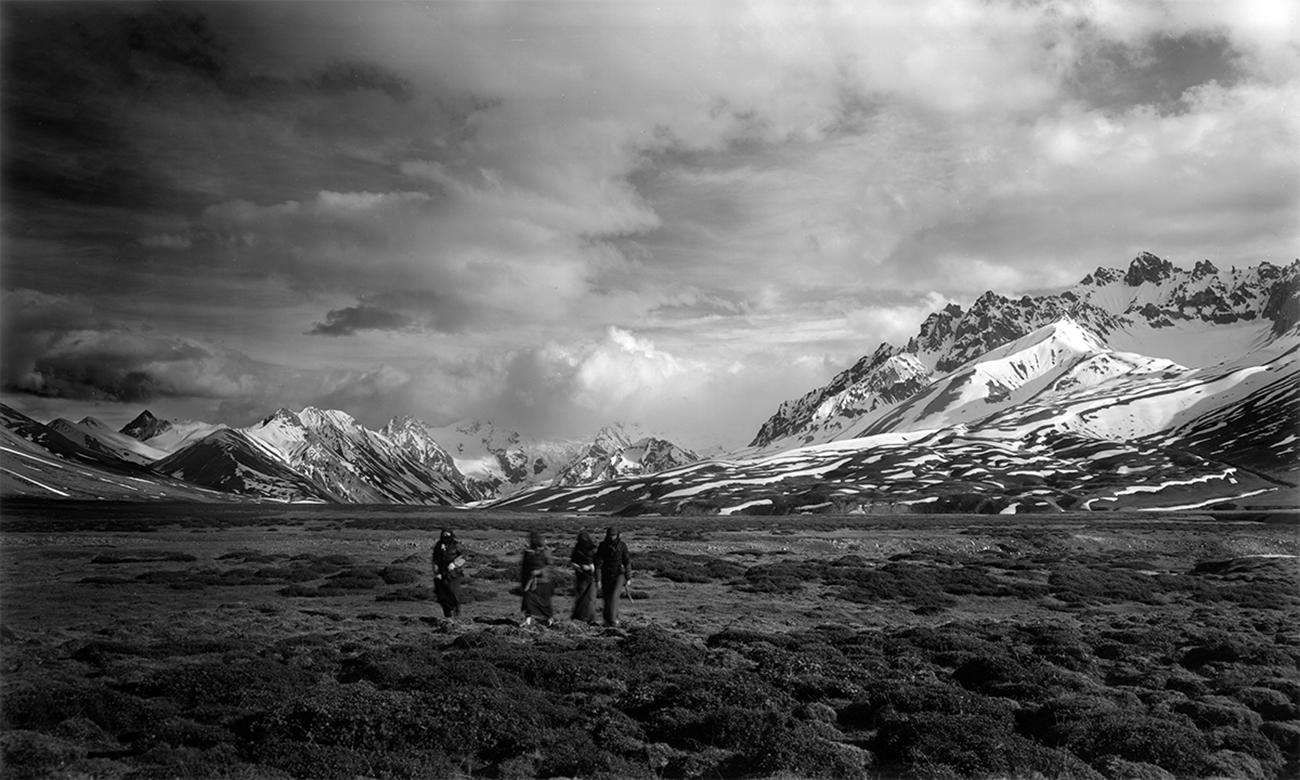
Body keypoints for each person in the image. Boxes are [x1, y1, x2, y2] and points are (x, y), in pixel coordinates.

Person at [595, 526, 631, 627]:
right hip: (606, 574)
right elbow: (598, 563)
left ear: (617, 535)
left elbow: (627, 561)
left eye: (613, 535)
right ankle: (607, 619)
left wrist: (628, 577)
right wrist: (598, 579)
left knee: (614, 596)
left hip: (619, 574)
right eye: (610, 535)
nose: (612, 537)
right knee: (606, 597)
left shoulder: (622, 546)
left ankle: (613, 620)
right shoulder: (602, 546)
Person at [520, 530, 555, 626]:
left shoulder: (546, 552)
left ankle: (549, 619)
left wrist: (540, 571)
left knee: (544, 603)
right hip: (530, 582)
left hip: (543, 582)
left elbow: (550, 566)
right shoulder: (528, 553)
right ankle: (528, 620)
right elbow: (525, 568)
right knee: (528, 600)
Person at [431, 529, 466, 619]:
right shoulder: (438, 545)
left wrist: (455, 564)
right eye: (444, 535)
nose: (446, 537)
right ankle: (448, 616)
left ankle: (457, 613)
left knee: (453, 593)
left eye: (448, 535)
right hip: (441, 573)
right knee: (442, 596)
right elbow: (435, 559)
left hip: (454, 574)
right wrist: (437, 572)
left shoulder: (456, 545)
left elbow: (464, 556)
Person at [569, 531, 598, 623]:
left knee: (589, 598)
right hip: (581, 576)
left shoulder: (593, 549)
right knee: (582, 597)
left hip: (590, 576)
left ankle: (588, 618)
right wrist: (578, 567)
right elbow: (572, 561)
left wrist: (589, 567)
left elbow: (598, 563)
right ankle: (580, 617)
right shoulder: (578, 549)